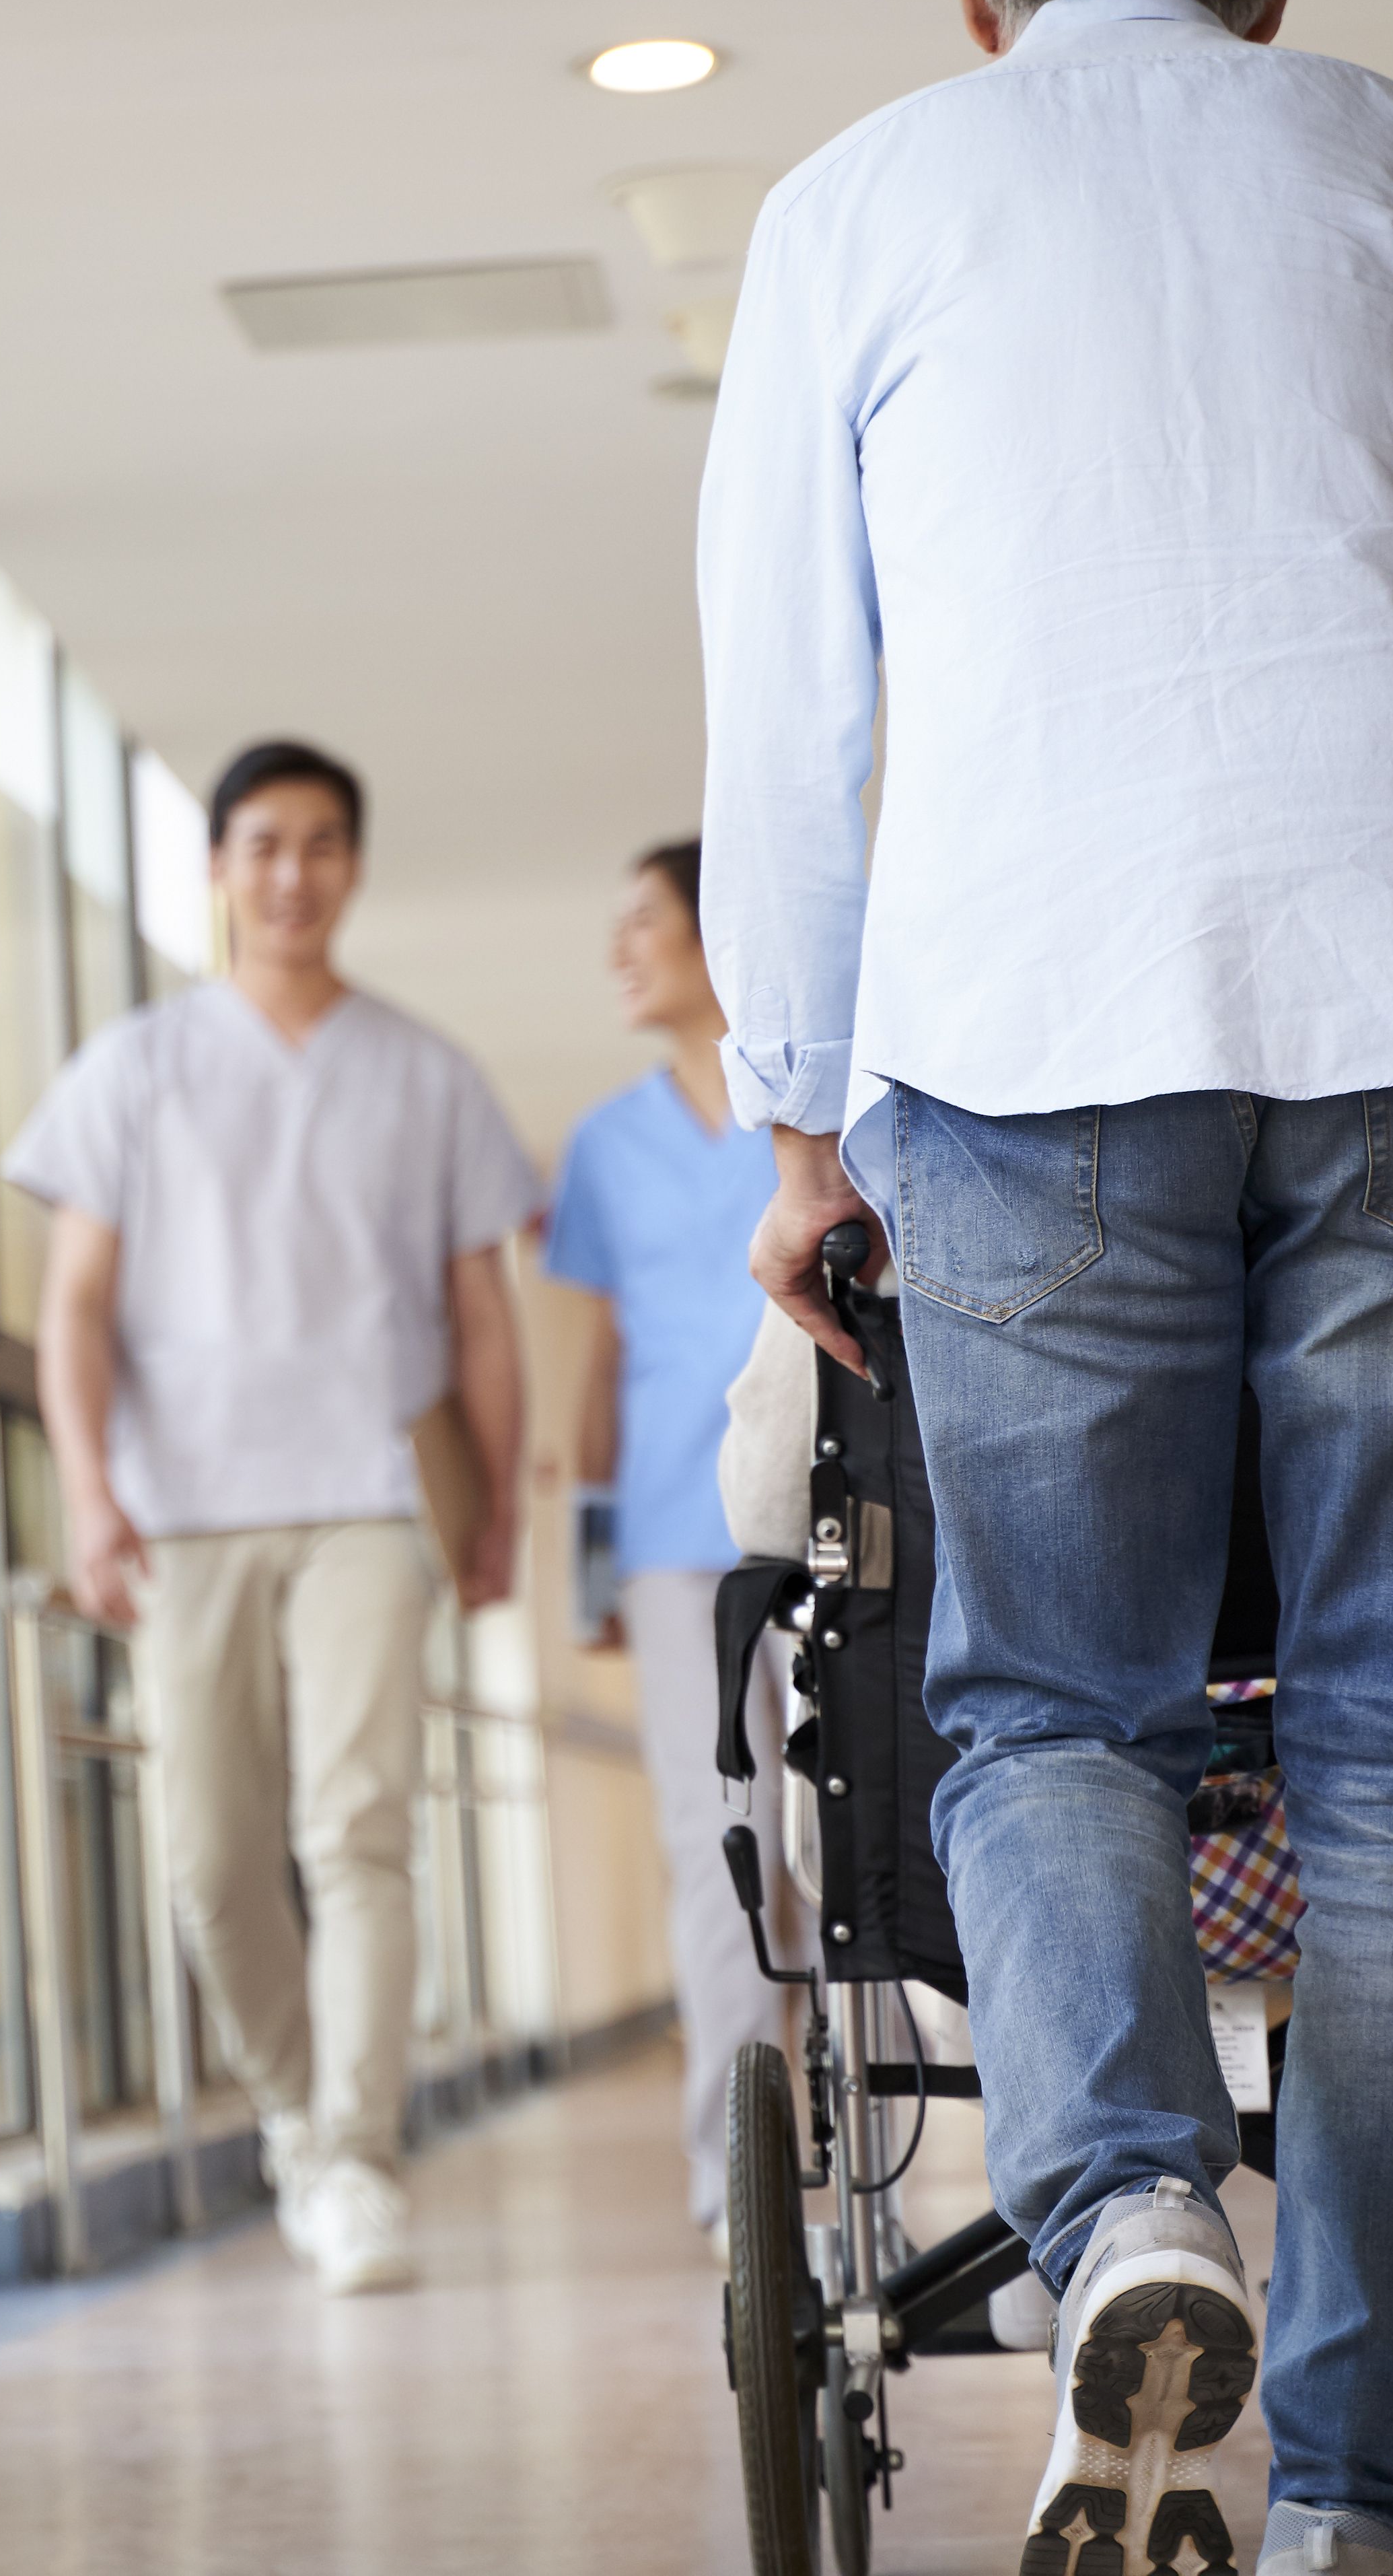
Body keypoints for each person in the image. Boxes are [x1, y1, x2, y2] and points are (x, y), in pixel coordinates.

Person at [697, 0, 1393, 2571]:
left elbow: (791, 705)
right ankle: (1364, 2500)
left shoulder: (861, 200)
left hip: (1030, 1032)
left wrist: (793, 1119)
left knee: (1053, 1712)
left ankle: (1126, 2207)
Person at [7, 738, 539, 2297]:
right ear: (224, 868)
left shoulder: (426, 1073)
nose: (293, 873)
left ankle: (358, 2154)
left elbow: (483, 1321)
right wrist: (91, 1494)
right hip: (188, 1509)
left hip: (373, 1495)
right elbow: (76, 1305)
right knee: (211, 1850)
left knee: (358, 1825)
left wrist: (493, 1506)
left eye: (321, 844)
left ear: (353, 868)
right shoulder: (136, 1067)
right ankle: (299, 2115)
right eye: (263, 844)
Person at [540, 839, 794, 2244]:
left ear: (718, 933)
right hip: (671, 1541)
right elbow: (593, 1373)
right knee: (719, 1843)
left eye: (644, 921)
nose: (621, 950)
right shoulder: (602, 1145)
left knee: (864, 1836)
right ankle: (735, 2175)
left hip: (826, 1521)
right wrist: (589, 1567)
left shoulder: (812, 1101)